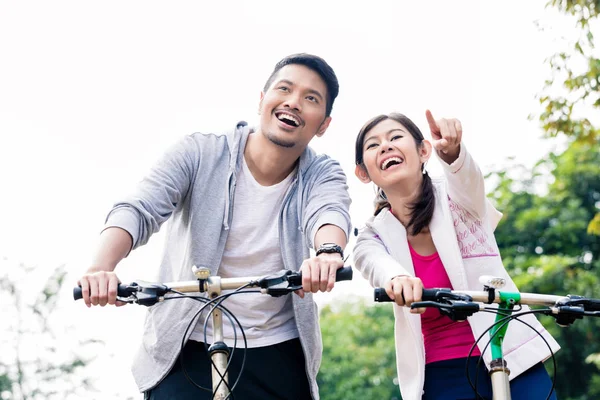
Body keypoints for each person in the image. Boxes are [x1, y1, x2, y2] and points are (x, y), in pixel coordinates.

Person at [77, 53, 352, 400]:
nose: (293, 103)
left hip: (278, 347)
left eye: (311, 99)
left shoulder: (322, 173)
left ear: (323, 124)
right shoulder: (200, 152)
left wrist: (327, 254)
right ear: (262, 100)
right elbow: (140, 207)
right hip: (185, 342)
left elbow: (328, 210)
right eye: (284, 89)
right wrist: (101, 268)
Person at [353, 110, 560, 400]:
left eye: (396, 137)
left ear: (423, 151)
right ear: (363, 172)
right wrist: (397, 278)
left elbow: (467, 180)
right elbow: (373, 262)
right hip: (441, 372)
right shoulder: (371, 236)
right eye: (373, 145)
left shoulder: (458, 199)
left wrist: (453, 155)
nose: (385, 145)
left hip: (511, 354)